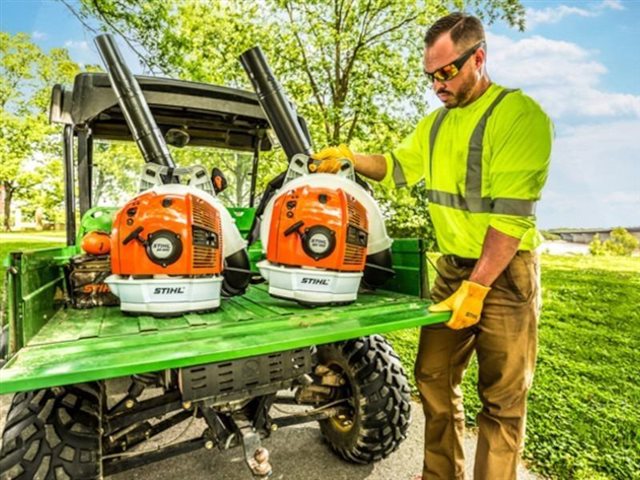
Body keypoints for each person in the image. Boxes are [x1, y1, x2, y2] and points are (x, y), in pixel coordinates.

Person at [312, 12, 553, 480]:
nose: (437, 85)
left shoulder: (520, 118)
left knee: (502, 401)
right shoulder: (435, 125)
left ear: (478, 58)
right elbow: (396, 166)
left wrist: (479, 288)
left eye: (446, 72)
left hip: (506, 274)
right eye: (430, 76)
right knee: (434, 378)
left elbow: (510, 218)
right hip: (453, 269)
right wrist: (347, 157)